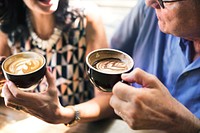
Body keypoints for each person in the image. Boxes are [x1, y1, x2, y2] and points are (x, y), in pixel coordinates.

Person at [2, 0, 200, 132]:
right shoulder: (147, 11)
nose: (150, 2)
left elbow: (105, 99)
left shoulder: (84, 18)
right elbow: (106, 72)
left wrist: (186, 124)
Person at [0, 0, 108, 106]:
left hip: (82, 122)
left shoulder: (86, 18)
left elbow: (107, 97)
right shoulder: (7, 27)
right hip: (30, 121)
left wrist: (64, 115)